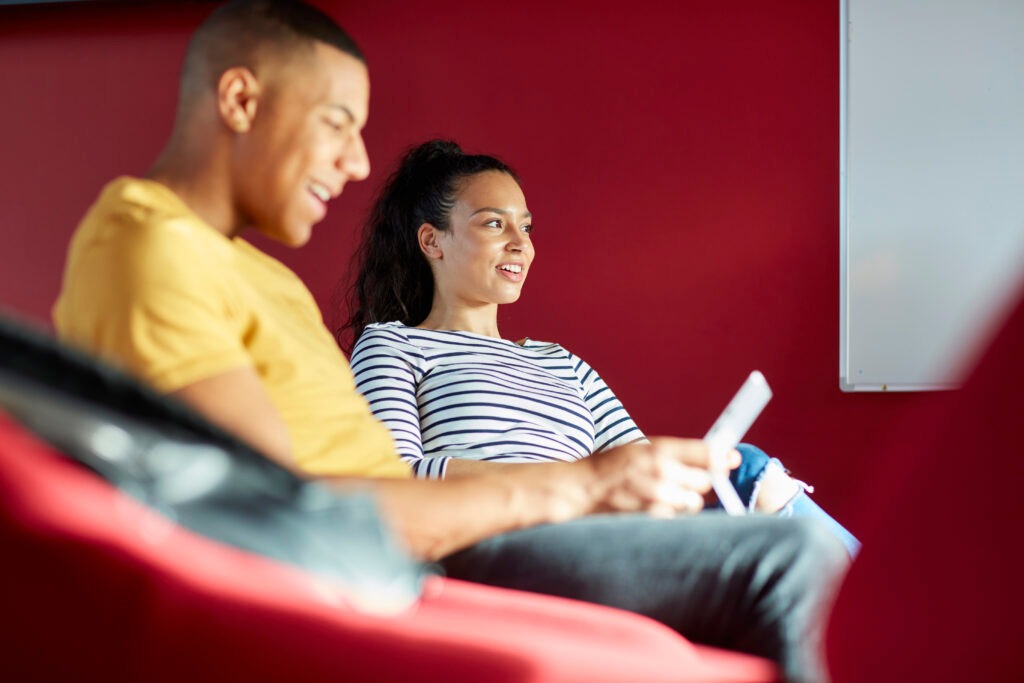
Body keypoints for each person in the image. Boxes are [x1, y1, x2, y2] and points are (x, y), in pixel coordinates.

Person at [53, 2, 847, 681]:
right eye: (337, 124)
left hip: (434, 537)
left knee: (779, 524)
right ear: (238, 98)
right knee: (786, 562)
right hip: (421, 556)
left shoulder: (266, 280)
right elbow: (293, 513)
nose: (358, 162)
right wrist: (579, 485)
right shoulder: (150, 245)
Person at [345, 139, 860, 556]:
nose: (520, 244)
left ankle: (884, 612)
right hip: (500, 538)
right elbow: (394, 478)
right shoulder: (393, 345)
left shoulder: (562, 364)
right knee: (752, 485)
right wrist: (578, 483)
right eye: (493, 223)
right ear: (433, 242)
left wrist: (687, 471)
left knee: (743, 472)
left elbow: (636, 467)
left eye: (525, 226)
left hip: (599, 534)